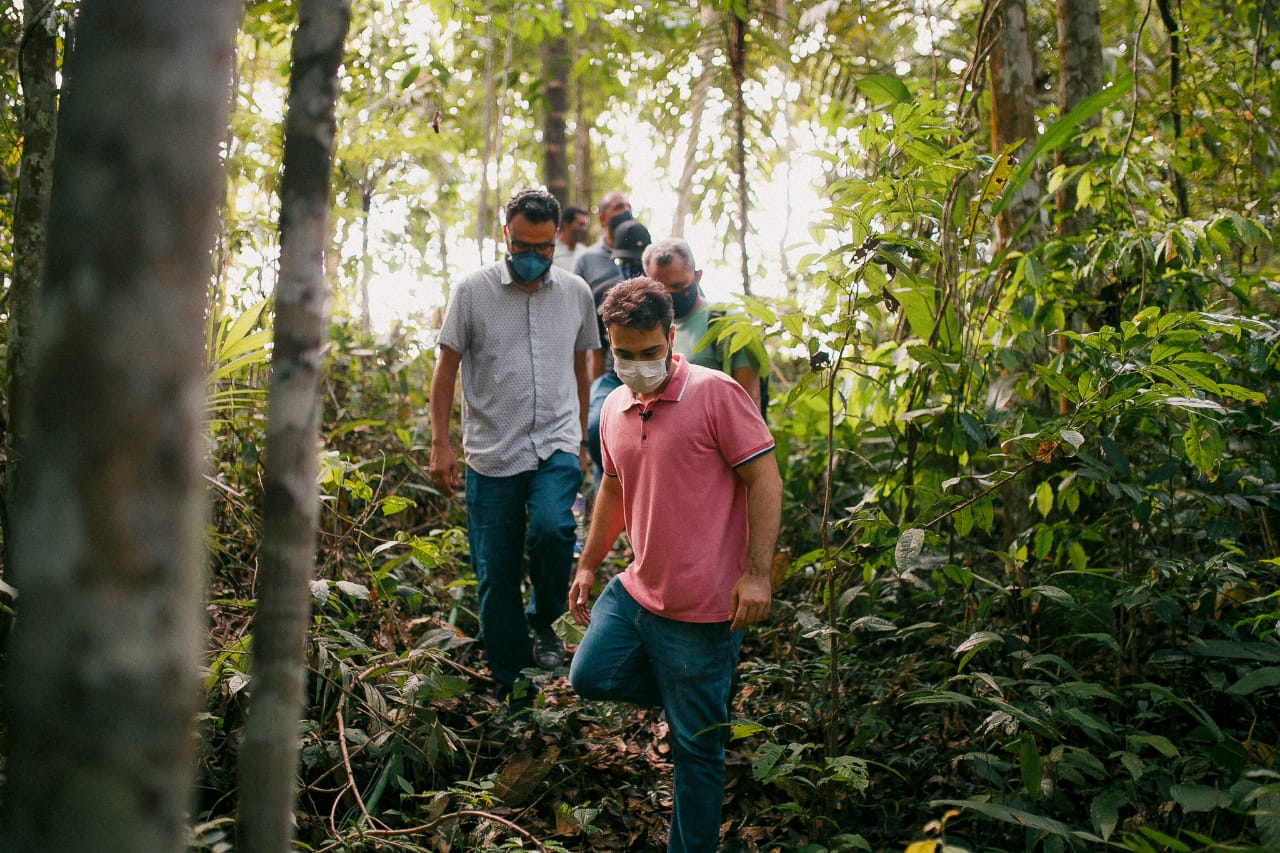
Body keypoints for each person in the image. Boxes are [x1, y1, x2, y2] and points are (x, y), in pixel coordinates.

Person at [568, 277, 783, 853]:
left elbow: (764, 478)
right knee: (587, 675)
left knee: (696, 753)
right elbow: (612, 489)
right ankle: (694, 695)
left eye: (649, 353)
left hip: (702, 608)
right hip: (638, 590)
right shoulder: (614, 404)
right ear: (609, 345)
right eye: (624, 355)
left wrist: (757, 574)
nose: (637, 365)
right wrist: (589, 565)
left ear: (671, 336)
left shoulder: (716, 394)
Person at [429, 188, 599, 706]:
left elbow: (582, 366)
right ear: (506, 234)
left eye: (544, 246)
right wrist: (440, 442)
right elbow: (446, 370)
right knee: (495, 570)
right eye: (523, 243)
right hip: (492, 452)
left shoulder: (576, 293)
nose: (534, 255)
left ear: (556, 240)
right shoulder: (472, 292)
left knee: (554, 530)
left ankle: (543, 621)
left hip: (556, 444)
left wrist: (584, 436)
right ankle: (512, 681)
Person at [642, 237, 764, 412]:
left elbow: (750, 404)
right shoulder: (648, 329)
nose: (669, 295)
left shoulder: (729, 322)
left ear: (697, 277)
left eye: (678, 286)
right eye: (660, 288)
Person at [552, 205, 589, 271]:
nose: (584, 229)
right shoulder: (552, 251)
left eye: (586, 225)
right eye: (581, 224)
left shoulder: (585, 252)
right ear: (566, 224)